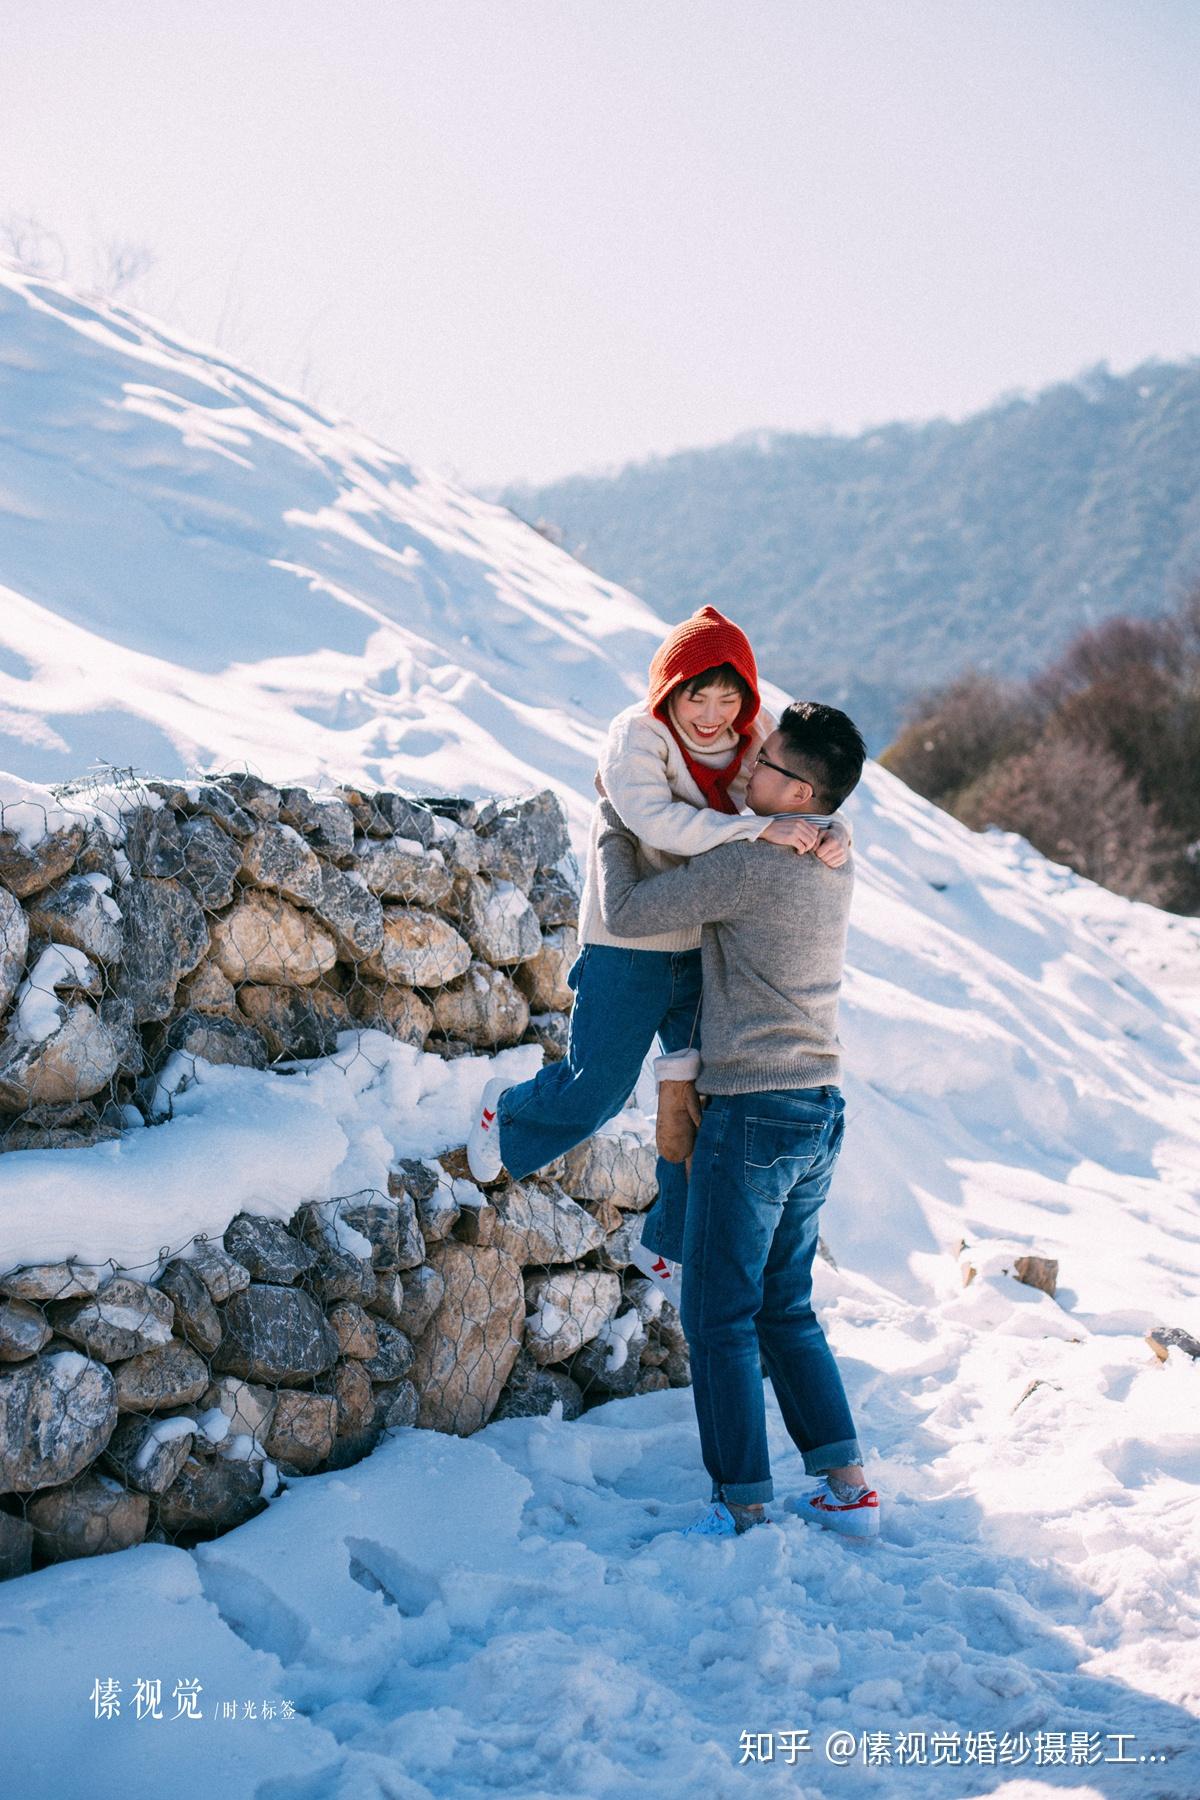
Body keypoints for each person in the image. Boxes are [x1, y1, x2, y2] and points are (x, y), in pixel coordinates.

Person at [466, 607, 849, 1303]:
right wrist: (762, 830)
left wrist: (831, 829)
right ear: (666, 691)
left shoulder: (752, 737)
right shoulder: (637, 736)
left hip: (704, 944)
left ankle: (667, 1241)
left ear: (748, 699)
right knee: (603, 1086)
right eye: (694, 696)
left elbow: (805, 785)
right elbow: (655, 821)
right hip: (631, 942)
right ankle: (509, 1115)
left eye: (728, 698)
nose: (711, 715)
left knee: (701, 1102)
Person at [594, 700, 878, 1541]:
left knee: (717, 1314)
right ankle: (846, 1485)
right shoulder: (830, 854)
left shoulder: (753, 861)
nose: (747, 768)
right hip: (819, 1106)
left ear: (799, 793)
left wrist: (614, 818)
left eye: (765, 763)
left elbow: (631, 910)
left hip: (753, 1110)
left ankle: (744, 1502)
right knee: (785, 1305)